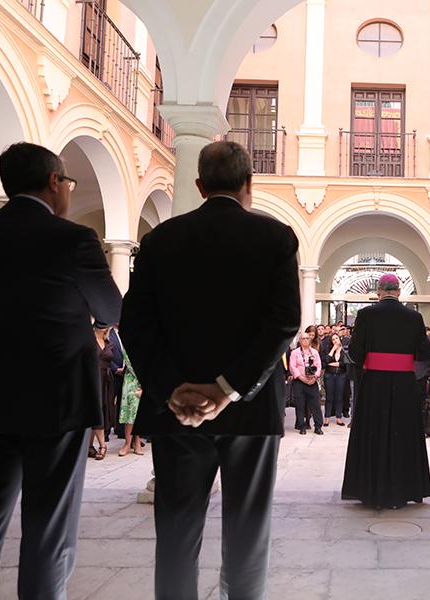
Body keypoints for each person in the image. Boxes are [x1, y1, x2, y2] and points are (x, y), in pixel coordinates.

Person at [120, 140, 300, 599]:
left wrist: (171, 389)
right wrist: (228, 388)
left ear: (199, 186)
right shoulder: (276, 238)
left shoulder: (160, 240)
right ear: (249, 184)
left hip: (177, 413)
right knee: (247, 533)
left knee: (177, 535)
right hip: (251, 413)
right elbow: (283, 322)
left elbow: (135, 325)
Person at [0, 142, 122, 598]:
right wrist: (90, 319)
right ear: (53, 182)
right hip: (58, 396)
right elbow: (110, 306)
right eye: (68, 182)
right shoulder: (73, 239)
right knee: (49, 525)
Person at [342, 273, 430, 509]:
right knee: (403, 434)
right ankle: (405, 489)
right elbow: (425, 354)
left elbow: (355, 352)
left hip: (374, 384)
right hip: (404, 384)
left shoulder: (365, 315)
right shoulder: (414, 317)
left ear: (379, 291)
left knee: (373, 432)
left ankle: (370, 490)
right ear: (399, 292)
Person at [90, 322, 117, 460]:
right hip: (93, 379)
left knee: (102, 410)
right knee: (97, 410)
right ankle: (102, 445)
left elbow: (112, 361)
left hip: (107, 381)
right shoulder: (89, 340)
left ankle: (89, 446)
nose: (104, 327)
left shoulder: (108, 341)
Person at [290, 331, 323, 434]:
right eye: (303, 338)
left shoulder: (314, 352)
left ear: (310, 340)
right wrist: (301, 377)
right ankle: (301, 426)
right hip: (299, 382)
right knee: (300, 405)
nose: (305, 340)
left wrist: (315, 377)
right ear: (300, 341)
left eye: (307, 338)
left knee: (316, 405)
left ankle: (318, 426)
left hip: (312, 381)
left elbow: (319, 366)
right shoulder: (295, 353)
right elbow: (292, 367)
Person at [117, 350, 144, 456]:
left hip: (144, 380)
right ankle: (127, 443)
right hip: (131, 381)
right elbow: (129, 361)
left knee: (140, 414)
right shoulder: (129, 339)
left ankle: (137, 442)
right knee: (130, 412)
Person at [322, 333, 346, 426]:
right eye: (333, 339)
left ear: (340, 339)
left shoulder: (344, 350)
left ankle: (339, 418)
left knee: (339, 397)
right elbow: (326, 361)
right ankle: (327, 418)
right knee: (329, 397)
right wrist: (333, 349)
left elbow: (344, 364)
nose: (335, 340)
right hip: (329, 375)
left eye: (336, 338)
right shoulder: (328, 350)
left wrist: (335, 364)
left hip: (341, 375)